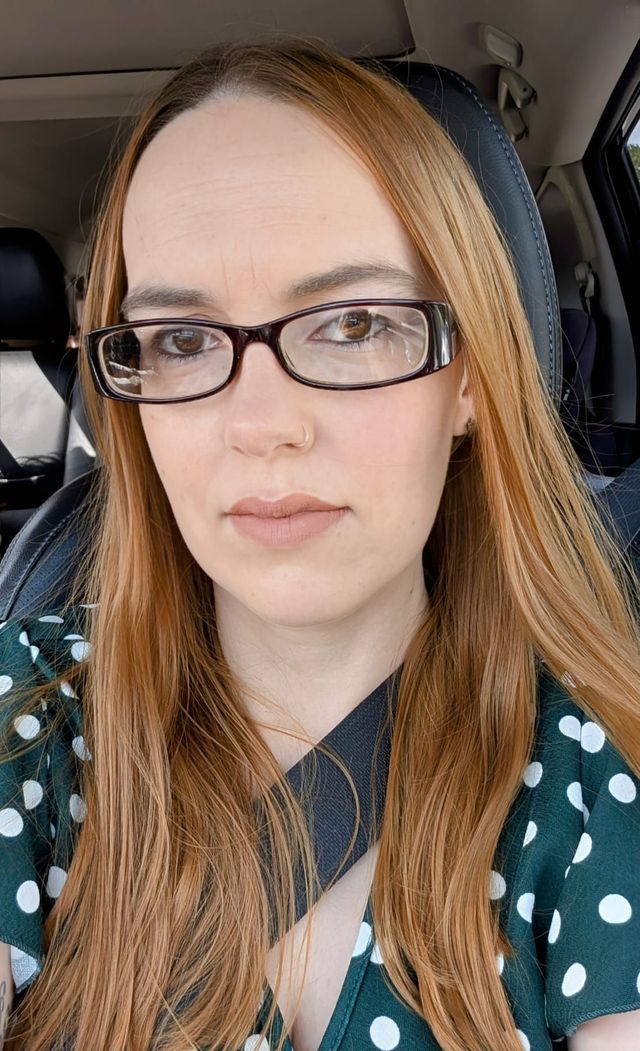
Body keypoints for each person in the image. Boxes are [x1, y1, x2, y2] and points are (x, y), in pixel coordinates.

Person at [0, 39, 639, 1051]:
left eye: (350, 325)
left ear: (469, 377)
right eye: (182, 339)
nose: (263, 425)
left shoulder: (598, 781)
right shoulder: (24, 724)